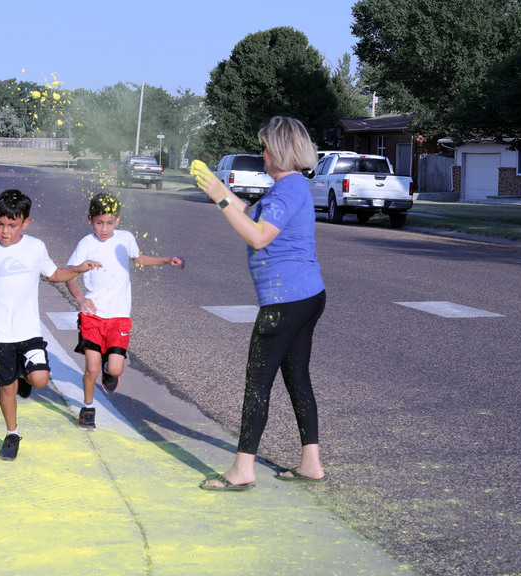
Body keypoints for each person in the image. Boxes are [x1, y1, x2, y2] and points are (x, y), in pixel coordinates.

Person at [191, 116, 327, 492]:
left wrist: (221, 197)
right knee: (297, 378)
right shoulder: (289, 187)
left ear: (279, 151)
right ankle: (311, 463)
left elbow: (258, 236)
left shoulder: (287, 191)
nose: (262, 154)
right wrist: (219, 189)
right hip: (306, 296)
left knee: (258, 384)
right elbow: (251, 215)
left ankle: (242, 469)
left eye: (265, 147)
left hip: (285, 301)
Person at [0, 189, 101, 460]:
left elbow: (54, 274)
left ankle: (24, 376)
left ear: (25, 223)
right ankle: (12, 434)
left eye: (12, 225)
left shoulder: (35, 247)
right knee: (7, 388)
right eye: (0, 224)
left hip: (29, 330)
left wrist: (78, 269)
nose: (5, 231)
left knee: (40, 379)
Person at [64, 192, 184, 429]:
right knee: (91, 368)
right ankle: (88, 408)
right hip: (92, 316)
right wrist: (80, 298)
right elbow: (70, 274)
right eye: (99, 223)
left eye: (109, 223)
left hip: (118, 317)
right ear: (90, 220)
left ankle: (109, 370)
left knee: (115, 368)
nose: (104, 229)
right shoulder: (86, 244)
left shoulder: (125, 238)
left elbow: (139, 259)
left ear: (117, 220)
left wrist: (166, 259)